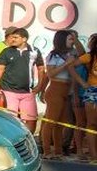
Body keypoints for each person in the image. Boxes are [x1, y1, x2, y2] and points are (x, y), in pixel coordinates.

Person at [40, 30, 87, 159]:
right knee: (51, 121)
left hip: (68, 90)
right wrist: (66, 64)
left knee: (61, 123)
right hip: (56, 88)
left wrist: (75, 39)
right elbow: (50, 74)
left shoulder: (72, 53)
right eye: (69, 39)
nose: (72, 42)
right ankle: (47, 151)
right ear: (62, 40)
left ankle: (58, 151)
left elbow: (82, 53)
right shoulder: (53, 55)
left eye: (72, 39)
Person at [0, 28, 45, 134]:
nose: (13, 40)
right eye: (12, 37)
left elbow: (41, 68)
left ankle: (29, 140)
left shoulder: (34, 51)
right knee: (11, 119)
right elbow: (0, 68)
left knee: (31, 119)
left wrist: (39, 85)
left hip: (28, 92)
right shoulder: (7, 51)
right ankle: (12, 140)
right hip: (9, 90)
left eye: (16, 37)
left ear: (24, 39)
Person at [75, 33, 97, 163]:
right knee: (91, 124)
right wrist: (82, 83)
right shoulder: (90, 56)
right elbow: (71, 66)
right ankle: (94, 156)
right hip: (93, 91)